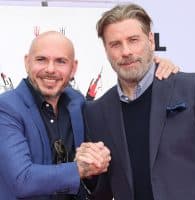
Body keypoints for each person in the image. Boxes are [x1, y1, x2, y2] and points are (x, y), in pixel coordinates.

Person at [81, 3, 195, 200]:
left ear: (151, 41)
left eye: (133, 40)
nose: (126, 52)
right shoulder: (96, 112)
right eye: (115, 44)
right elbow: (102, 191)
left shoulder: (192, 88)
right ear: (106, 50)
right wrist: (90, 172)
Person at [0, 31, 111, 200]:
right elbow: (22, 180)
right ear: (27, 62)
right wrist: (80, 168)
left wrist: (95, 160)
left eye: (61, 61)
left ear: (73, 68)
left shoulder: (77, 102)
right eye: (41, 59)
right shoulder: (6, 107)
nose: (50, 69)